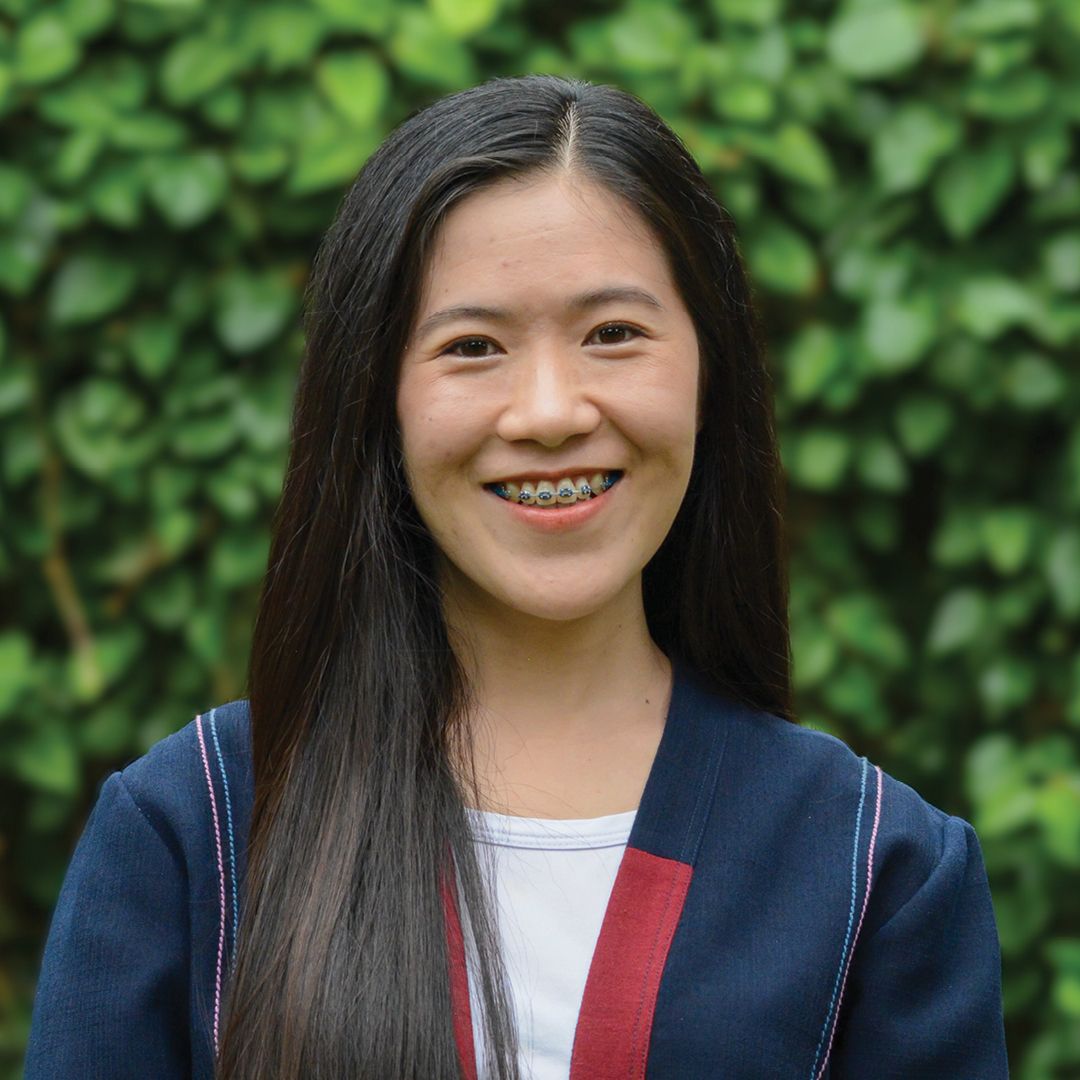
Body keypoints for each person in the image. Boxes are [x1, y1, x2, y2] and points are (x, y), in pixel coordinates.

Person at [24, 74, 1008, 1079]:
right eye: (473, 346)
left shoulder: (876, 869)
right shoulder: (197, 833)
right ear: (378, 401)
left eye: (613, 334)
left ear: (712, 375)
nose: (547, 411)